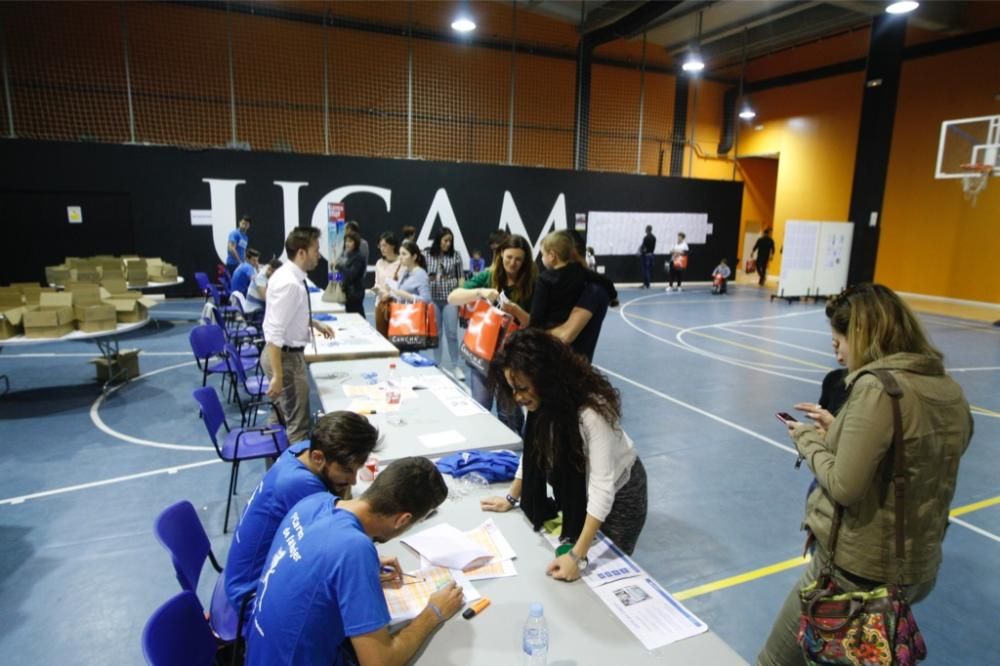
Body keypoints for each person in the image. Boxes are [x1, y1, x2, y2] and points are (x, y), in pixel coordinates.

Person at [757, 283, 973, 665]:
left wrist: (808, 440)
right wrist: (842, 429)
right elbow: (908, 458)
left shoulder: (878, 388)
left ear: (862, 334)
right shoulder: (947, 388)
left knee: (777, 659)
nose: (836, 349)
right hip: (917, 566)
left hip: (856, 569)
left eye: (839, 338)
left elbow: (845, 485)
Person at [245, 457, 464, 666]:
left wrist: (359, 572)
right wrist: (433, 613)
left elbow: (315, 564)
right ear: (402, 519)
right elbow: (379, 662)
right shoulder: (354, 550)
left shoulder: (314, 502)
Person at [482, 329, 648, 577]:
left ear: (545, 378)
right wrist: (511, 497)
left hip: (620, 494)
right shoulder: (539, 401)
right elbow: (533, 452)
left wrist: (576, 557)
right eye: (512, 389)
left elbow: (603, 488)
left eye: (522, 388)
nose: (517, 397)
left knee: (600, 576)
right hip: (585, 487)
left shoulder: (592, 412)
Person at [224, 411, 381, 611]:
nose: (353, 480)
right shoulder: (301, 485)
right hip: (251, 593)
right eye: (348, 470)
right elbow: (345, 534)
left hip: (247, 574)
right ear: (318, 457)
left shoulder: (302, 450)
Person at [448, 234, 536, 432]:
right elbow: (453, 297)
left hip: (514, 359)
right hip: (482, 354)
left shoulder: (532, 284)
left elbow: (533, 323)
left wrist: (515, 310)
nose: (512, 263)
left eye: (518, 259)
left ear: (525, 261)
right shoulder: (489, 276)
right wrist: (480, 292)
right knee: (480, 406)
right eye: (509, 257)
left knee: (510, 414)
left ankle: (513, 455)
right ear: (500, 255)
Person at [263, 226, 335, 444]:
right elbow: (276, 333)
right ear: (301, 252)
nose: (319, 255)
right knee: (298, 426)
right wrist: (278, 375)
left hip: (281, 356)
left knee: (281, 416)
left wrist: (312, 323)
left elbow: (287, 316)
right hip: (284, 359)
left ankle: (276, 465)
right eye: (315, 249)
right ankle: (294, 474)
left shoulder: (287, 275)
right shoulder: (290, 284)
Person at [426, 227, 466, 380]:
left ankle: (455, 366)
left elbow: (461, 277)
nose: (448, 244)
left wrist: (462, 294)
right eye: (445, 240)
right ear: (438, 240)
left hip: (450, 300)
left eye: (450, 241)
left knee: (452, 334)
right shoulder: (427, 254)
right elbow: (422, 273)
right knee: (437, 334)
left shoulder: (456, 255)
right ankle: (437, 364)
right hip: (433, 300)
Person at [529, 230, 588, 330]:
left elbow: (536, 316)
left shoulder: (544, 279)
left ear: (552, 256)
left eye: (543, 254)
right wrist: (613, 296)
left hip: (550, 328)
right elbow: (602, 279)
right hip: (571, 326)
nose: (542, 258)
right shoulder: (579, 270)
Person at [376, 239, 430, 304]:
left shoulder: (420, 274)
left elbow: (427, 300)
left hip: (413, 311)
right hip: (402, 310)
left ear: (414, 257)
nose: (400, 257)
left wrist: (408, 296)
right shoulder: (405, 272)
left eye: (404, 254)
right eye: (400, 254)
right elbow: (400, 293)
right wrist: (390, 294)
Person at [373, 232, 401, 335]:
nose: (382, 248)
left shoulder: (402, 263)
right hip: (380, 305)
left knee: (396, 338)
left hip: (397, 305)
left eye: (384, 245)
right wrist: (378, 291)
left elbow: (403, 287)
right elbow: (377, 283)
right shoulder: (379, 263)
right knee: (382, 338)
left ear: (393, 245)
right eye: (380, 245)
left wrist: (389, 295)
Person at [336, 230, 368, 318]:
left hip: (355, 293)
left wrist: (339, 266)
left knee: (357, 316)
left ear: (356, 243)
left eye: (350, 241)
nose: (347, 243)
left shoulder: (358, 257)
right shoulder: (348, 255)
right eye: (346, 241)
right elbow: (343, 274)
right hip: (348, 293)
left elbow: (351, 275)